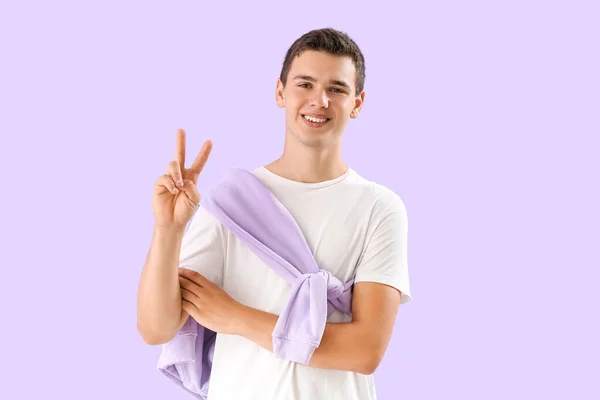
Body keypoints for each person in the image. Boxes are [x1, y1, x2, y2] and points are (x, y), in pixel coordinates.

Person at [137, 27, 411, 400]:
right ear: (281, 92)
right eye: (305, 84)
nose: (320, 100)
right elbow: (157, 329)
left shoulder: (380, 207)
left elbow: (365, 350)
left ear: (357, 103)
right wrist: (167, 230)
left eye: (336, 89)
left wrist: (236, 317)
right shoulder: (232, 204)